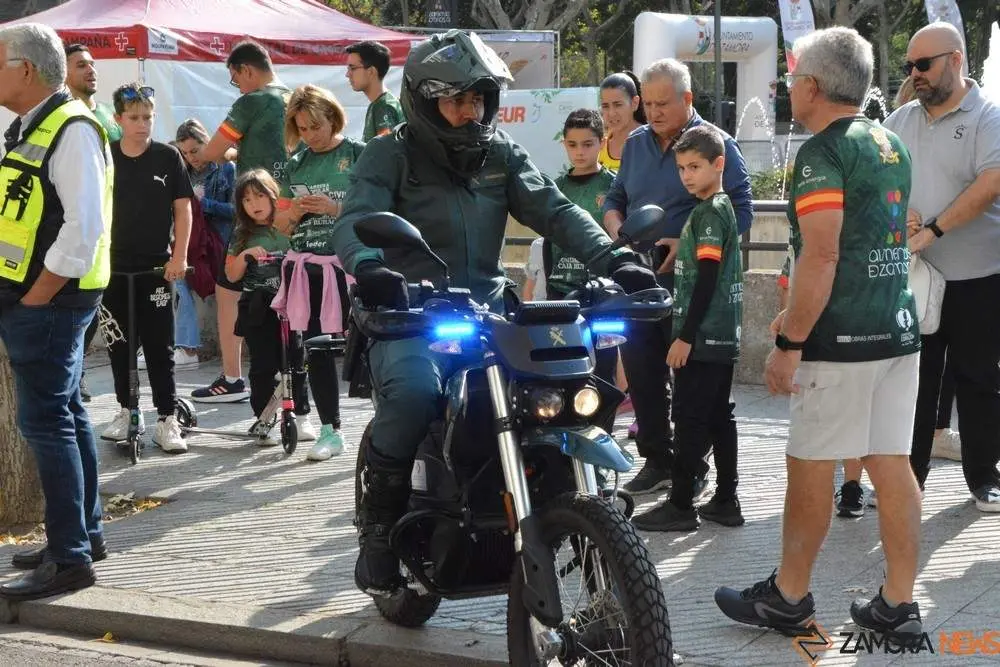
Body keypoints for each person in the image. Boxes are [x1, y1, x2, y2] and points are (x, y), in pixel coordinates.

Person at [331, 30, 658, 597]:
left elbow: (555, 210)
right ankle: (378, 534)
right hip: (412, 312)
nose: (470, 112)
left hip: (487, 308)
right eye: (456, 100)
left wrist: (617, 260)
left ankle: (571, 508)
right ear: (424, 101)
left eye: (478, 99)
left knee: (560, 382)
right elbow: (355, 220)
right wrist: (370, 267)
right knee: (413, 394)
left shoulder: (500, 153)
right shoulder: (391, 154)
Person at [715, 27, 924, 642]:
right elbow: (868, 242)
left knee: (809, 463)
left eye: (791, 78)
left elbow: (823, 254)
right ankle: (898, 604)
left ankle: (789, 596)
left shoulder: (821, 153)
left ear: (811, 85)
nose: (787, 88)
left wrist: (789, 344)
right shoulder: (889, 141)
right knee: (892, 463)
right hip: (895, 328)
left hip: (840, 344)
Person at [602, 58, 753, 496]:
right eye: (647, 104)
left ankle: (693, 469)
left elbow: (740, 212)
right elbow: (615, 197)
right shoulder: (635, 144)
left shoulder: (715, 144)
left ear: (687, 98)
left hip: (693, 286)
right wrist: (617, 227)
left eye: (662, 103)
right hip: (638, 280)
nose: (653, 112)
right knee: (642, 374)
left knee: (694, 386)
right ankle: (657, 460)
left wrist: (683, 240)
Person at [0, 23, 112, 600]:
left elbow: (82, 228)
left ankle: (70, 558)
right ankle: (82, 537)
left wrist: (37, 296)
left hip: (50, 302)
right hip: (44, 300)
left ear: (25, 69)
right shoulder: (36, 125)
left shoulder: (70, 127)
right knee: (65, 414)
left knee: (46, 423)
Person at [884, 21, 1000, 511]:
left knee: (978, 378)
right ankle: (908, 480)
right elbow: (874, 182)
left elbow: (991, 182)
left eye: (924, 64)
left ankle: (984, 477)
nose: (915, 73)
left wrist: (931, 228)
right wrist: (895, 211)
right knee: (913, 380)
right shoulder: (898, 120)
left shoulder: (988, 116)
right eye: (910, 65)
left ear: (955, 60)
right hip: (913, 278)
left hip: (978, 276)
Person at [631, 125, 744, 532]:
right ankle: (726, 499)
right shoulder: (719, 208)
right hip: (721, 336)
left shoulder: (710, 213)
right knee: (718, 415)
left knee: (690, 418)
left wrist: (684, 336)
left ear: (719, 164)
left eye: (695, 167)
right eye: (681, 168)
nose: (687, 176)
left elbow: (707, 279)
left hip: (703, 337)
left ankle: (680, 504)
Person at [193, 40, 290, 403]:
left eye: (235, 79)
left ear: (246, 70)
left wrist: (226, 152)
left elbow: (210, 151)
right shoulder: (294, 97)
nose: (238, 87)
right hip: (288, 210)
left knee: (229, 291)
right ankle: (289, 374)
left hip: (251, 211)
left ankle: (232, 377)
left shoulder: (251, 102)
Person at [99, 83, 192, 454]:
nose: (142, 124)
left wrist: (179, 257)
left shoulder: (167, 156)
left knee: (159, 345)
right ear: (119, 119)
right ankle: (126, 410)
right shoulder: (106, 155)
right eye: (134, 118)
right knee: (119, 344)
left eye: (148, 117)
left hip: (156, 268)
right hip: (113, 267)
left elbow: (183, 209)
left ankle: (166, 418)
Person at [272, 84, 363, 459]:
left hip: (351, 266)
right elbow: (279, 224)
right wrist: (294, 212)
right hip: (307, 268)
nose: (310, 134)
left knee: (370, 346)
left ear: (333, 117)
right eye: (303, 128)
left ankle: (387, 424)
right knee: (316, 349)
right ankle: (331, 430)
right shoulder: (296, 164)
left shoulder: (358, 153)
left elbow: (378, 210)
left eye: (316, 125)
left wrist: (334, 209)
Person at [64, 42, 121, 403]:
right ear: (63, 72)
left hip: (115, 229)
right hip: (78, 230)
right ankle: (75, 375)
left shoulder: (107, 115)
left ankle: (80, 372)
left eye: (92, 63)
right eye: (81, 64)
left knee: (102, 310)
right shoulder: (62, 114)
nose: (91, 70)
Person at [224, 170, 293, 447]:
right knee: (262, 366)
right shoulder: (242, 234)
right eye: (247, 199)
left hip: (291, 306)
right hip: (257, 307)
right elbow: (231, 275)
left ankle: (299, 415)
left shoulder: (289, 226)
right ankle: (264, 419)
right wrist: (244, 256)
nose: (254, 204)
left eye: (260, 195)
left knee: (296, 363)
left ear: (274, 195)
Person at [173, 119, 236, 369]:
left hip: (218, 244)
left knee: (179, 276)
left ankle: (187, 348)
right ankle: (184, 347)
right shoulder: (184, 173)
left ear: (206, 143)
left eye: (195, 151)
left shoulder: (225, 168)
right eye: (185, 153)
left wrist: (203, 204)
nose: (191, 158)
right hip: (193, 245)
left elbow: (237, 211)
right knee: (173, 275)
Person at [345, 40, 405, 142]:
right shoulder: (380, 104)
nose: (347, 74)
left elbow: (387, 149)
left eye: (353, 68)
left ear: (371, 71)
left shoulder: (384, 106)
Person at [598, 72, 645, 171]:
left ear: (635, 103)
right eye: (605, 106)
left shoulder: (651, 143)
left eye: (618, 105)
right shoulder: (598, 147)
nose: (611, 113)